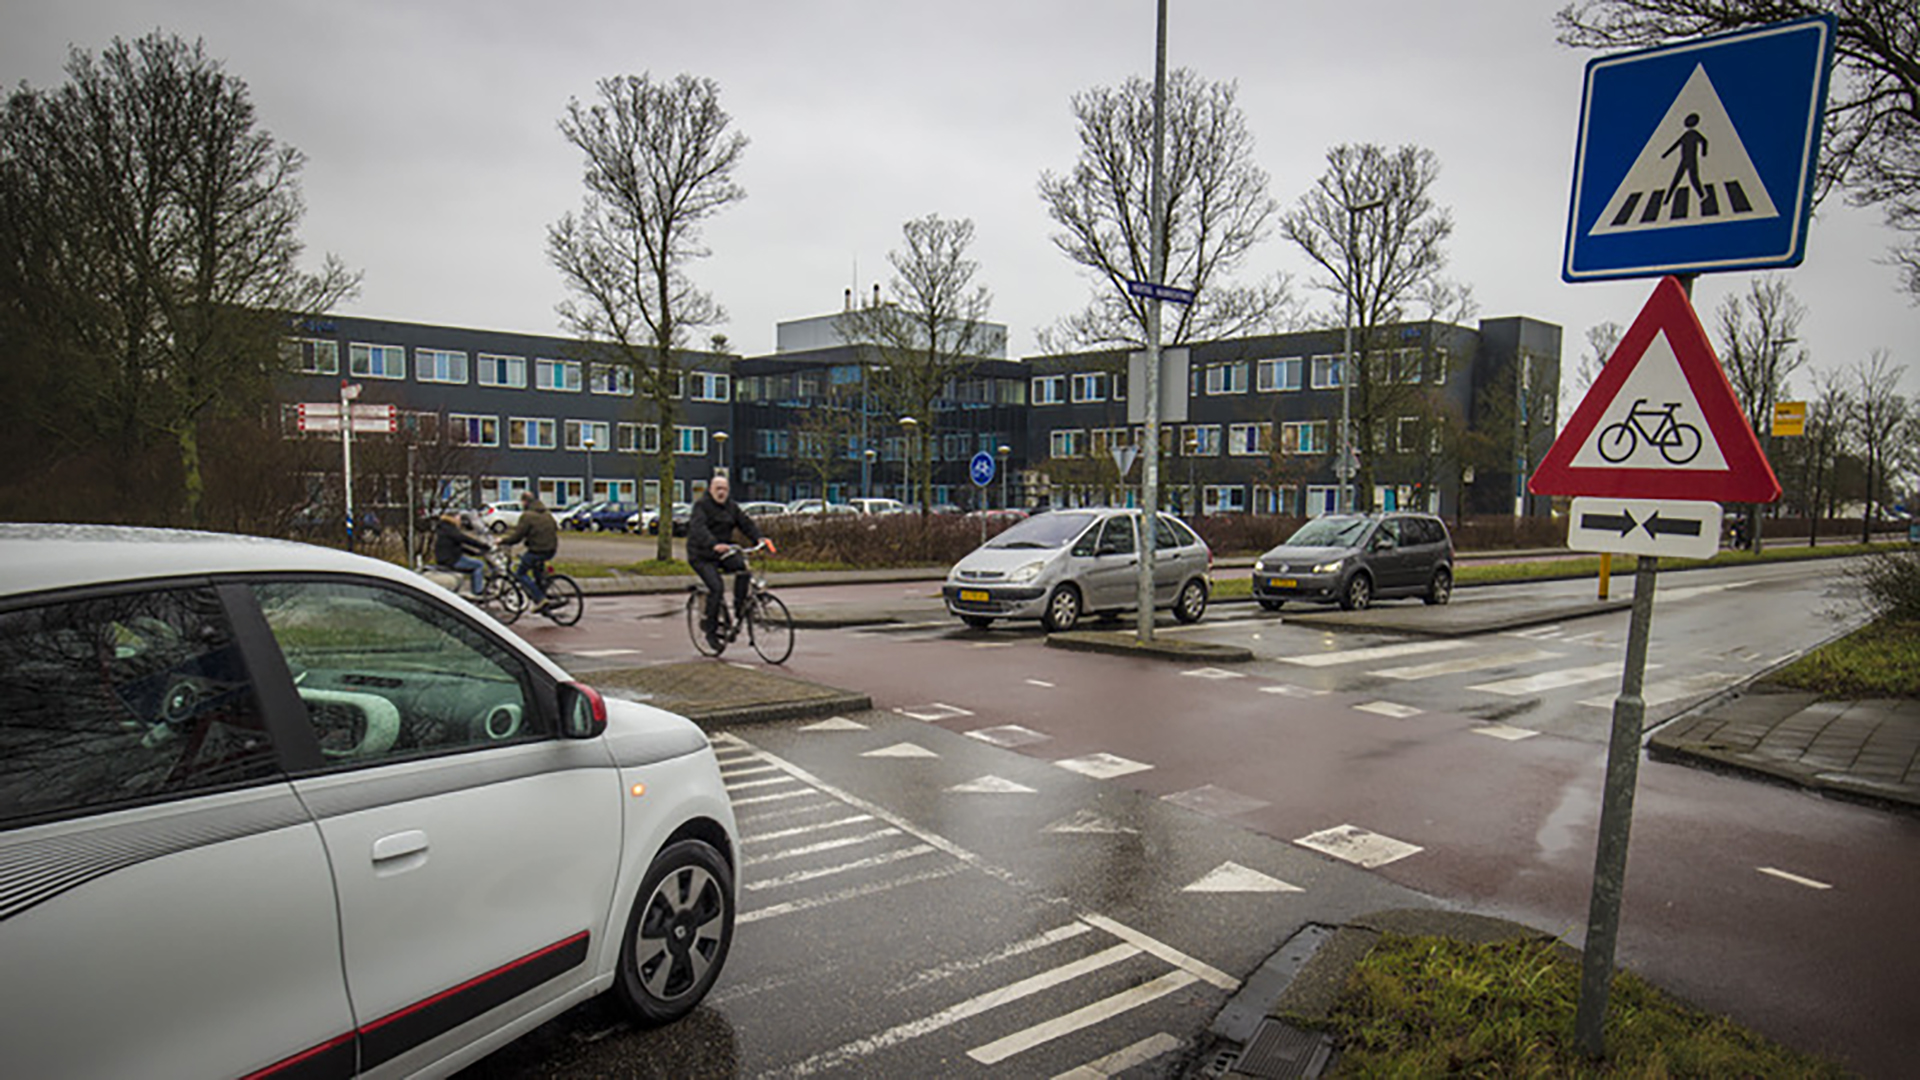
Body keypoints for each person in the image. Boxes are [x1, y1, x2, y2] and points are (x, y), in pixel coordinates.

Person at [686, 475, 763, 650]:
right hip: (702, 555)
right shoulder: (701, 506)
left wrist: (759, 538)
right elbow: (699, 529)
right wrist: (713, 544)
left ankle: (739, 605)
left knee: (743, 569)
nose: (721, 492)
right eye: (718, 489)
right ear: (710, 489)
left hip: (723, 553)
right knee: (716, 587)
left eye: (725, 489)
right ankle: (711, 632)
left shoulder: (731, 507)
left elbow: (745, 523)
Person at [497, 491, 560, 610]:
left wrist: (503, 541)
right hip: (551, 549)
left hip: (537, 550)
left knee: (520, 573)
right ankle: (542, 594)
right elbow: (554, 528)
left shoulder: (527, 516)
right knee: (537, 572)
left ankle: (540, 599)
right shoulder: (547, 514)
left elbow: (517, 536)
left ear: (525, 502)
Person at [432, 511, 491, 596]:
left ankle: (476, 589)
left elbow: (457, 546)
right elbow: (463, 539)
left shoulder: (444, 527)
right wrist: (482, 545)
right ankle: (478, 592)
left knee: (474, 563)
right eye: (458, 518)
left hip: (447, 557)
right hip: (451, 560)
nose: (460, 521)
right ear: (453, 518)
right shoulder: (450, 529)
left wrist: (474, 553)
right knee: (479, 565)